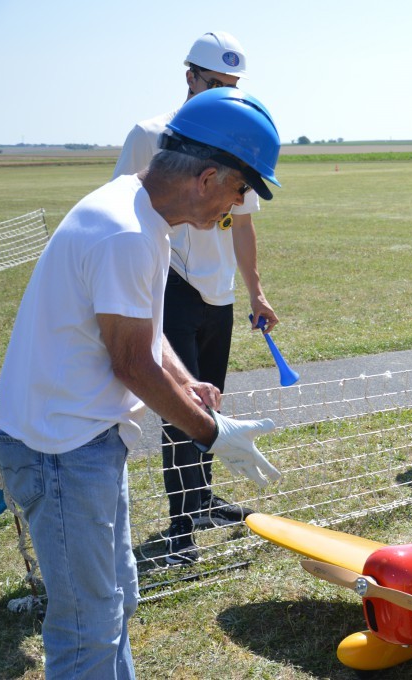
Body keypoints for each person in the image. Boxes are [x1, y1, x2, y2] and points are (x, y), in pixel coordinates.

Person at [0, 87, 283, 679]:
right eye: (240, 189)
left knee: (118, 596)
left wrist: (187, 382)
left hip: (86, 441)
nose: (236, 207)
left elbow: (142, 332)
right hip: (62, 451)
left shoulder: (139, 213)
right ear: (206, 177)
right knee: (88, 628)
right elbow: (130, 362)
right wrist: (211, 434)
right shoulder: (127, 233)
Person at [113, 31, 280, 564]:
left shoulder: (239, 137)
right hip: (173, 284)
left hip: (220, 290)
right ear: (189, 76)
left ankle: (202, 498)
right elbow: (124, 206)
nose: (222, 93)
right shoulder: (150, 134)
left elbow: (245, 224)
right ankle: (180, 528)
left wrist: (255, 291)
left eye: (232, 85)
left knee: (210, 396)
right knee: (180, 404)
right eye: (213, 82)